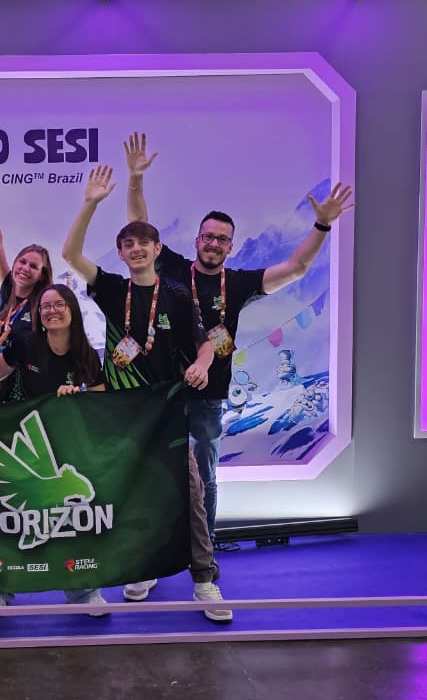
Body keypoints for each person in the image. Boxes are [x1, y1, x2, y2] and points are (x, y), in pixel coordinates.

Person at [123, 132, 354, 544]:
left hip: (209, 398)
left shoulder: (241, 282)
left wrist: (322, 224)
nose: (213, 244)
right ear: (197, 241)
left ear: (231, 246)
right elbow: (139, 228)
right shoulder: (171, 268)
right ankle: (154, 553)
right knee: (154, 473)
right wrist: (136, 178)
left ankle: (204, 550)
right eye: (208, 236)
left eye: (222, 239)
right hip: (162, 393)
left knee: (206, 477)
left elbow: (296, 269)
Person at [60, 164, 230, 623]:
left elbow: (205, 345)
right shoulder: (112, 290)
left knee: (191, 493)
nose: (136, 249)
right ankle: (144, 567)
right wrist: (91, 202)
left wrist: (201, 364)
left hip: (167, 412)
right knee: (129, 494)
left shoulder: (177, 295)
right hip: (120, 414)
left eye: (144, 243)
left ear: (158, 249)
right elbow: (70, 254)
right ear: (120, 253)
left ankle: (204, 579)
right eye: (128, 244)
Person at [0, 284, 108, 613]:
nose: (51, 311)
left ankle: (84, 592)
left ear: (72, 309)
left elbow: (100, 402)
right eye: (45, 306)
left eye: (58, 304)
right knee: (9, 520)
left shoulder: (86, 354)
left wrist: (78, 397)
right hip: (24, 438)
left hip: (65, 442)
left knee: (73, 522)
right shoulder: (26, 342)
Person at [0, 158, 54, 402]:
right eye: (22, 262)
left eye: (33, 266)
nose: (25, 269)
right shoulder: (7, 288)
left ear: (42, 274)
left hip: (32, 392)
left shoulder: (44, 303)